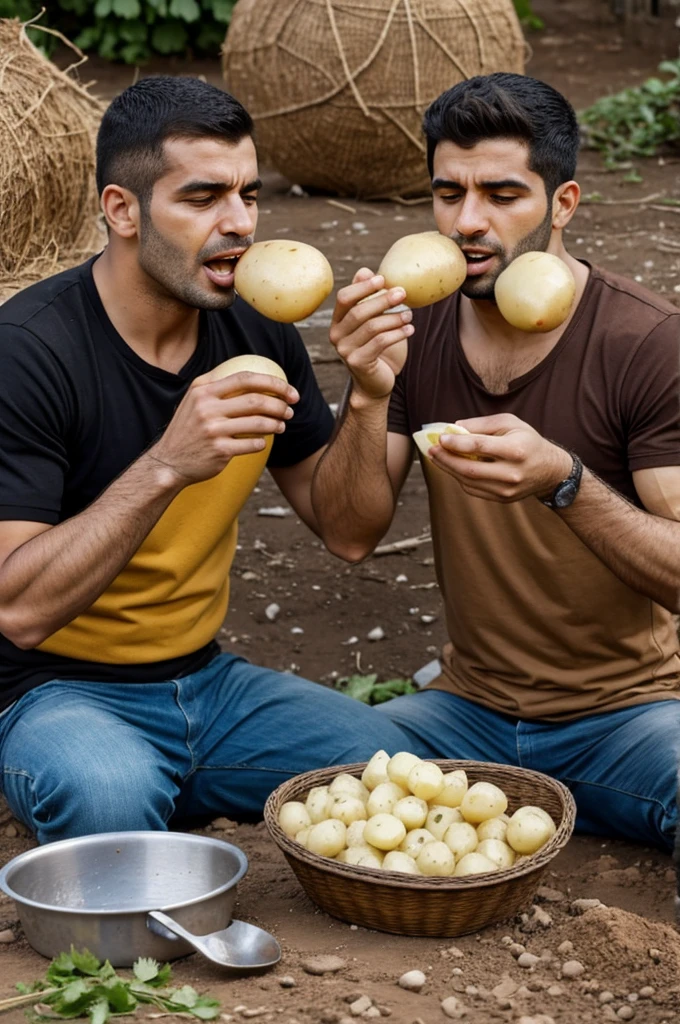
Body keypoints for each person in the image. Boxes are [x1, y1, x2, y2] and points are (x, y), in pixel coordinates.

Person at [0, 76, 411, 845]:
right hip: (51, 689)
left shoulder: (259, 330)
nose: (239, 224)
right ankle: (121, 777)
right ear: (121, 209)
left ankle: (169, 773)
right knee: (109, 799)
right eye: (203, 198)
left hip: (207, 682)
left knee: (396, 771)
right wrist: (166, 463)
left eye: (249, 195)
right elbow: (17, 609)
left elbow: (349, 531)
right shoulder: (27, 352)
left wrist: (367, 396)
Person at [311, 72, 680, 852]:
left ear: (563, 203)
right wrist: (370, 392)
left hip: (631, 716)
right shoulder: (415, 330)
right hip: (463, 713)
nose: (468, 222)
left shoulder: (644, 342)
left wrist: (566, 483)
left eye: (503, 195)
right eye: (449, 193)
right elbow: (349, 536)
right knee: (306, 782)